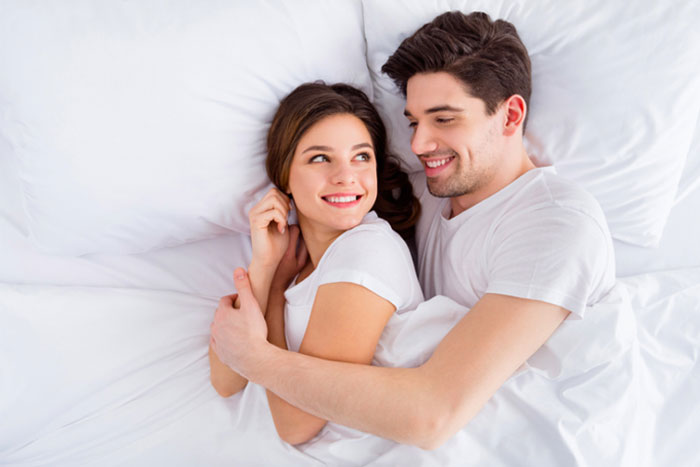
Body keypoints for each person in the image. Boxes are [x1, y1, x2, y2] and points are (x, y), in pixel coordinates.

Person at [211, 11, 615, 449]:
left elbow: (431, 414)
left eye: (444, 119)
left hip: (545, 443)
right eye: (413, 122)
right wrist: (270, 275)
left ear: (510, 116)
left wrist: (254, 355)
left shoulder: (556, 223)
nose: (419, 145)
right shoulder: (427, 195)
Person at [209, 82, 424, 445]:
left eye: (362, 156)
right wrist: (265, 265)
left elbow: (295, 424)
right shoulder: (299, 268)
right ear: (285, 177)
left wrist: (274, 295)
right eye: (321, 158)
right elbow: (225, 380)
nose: (346, 176)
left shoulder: (368, 250)